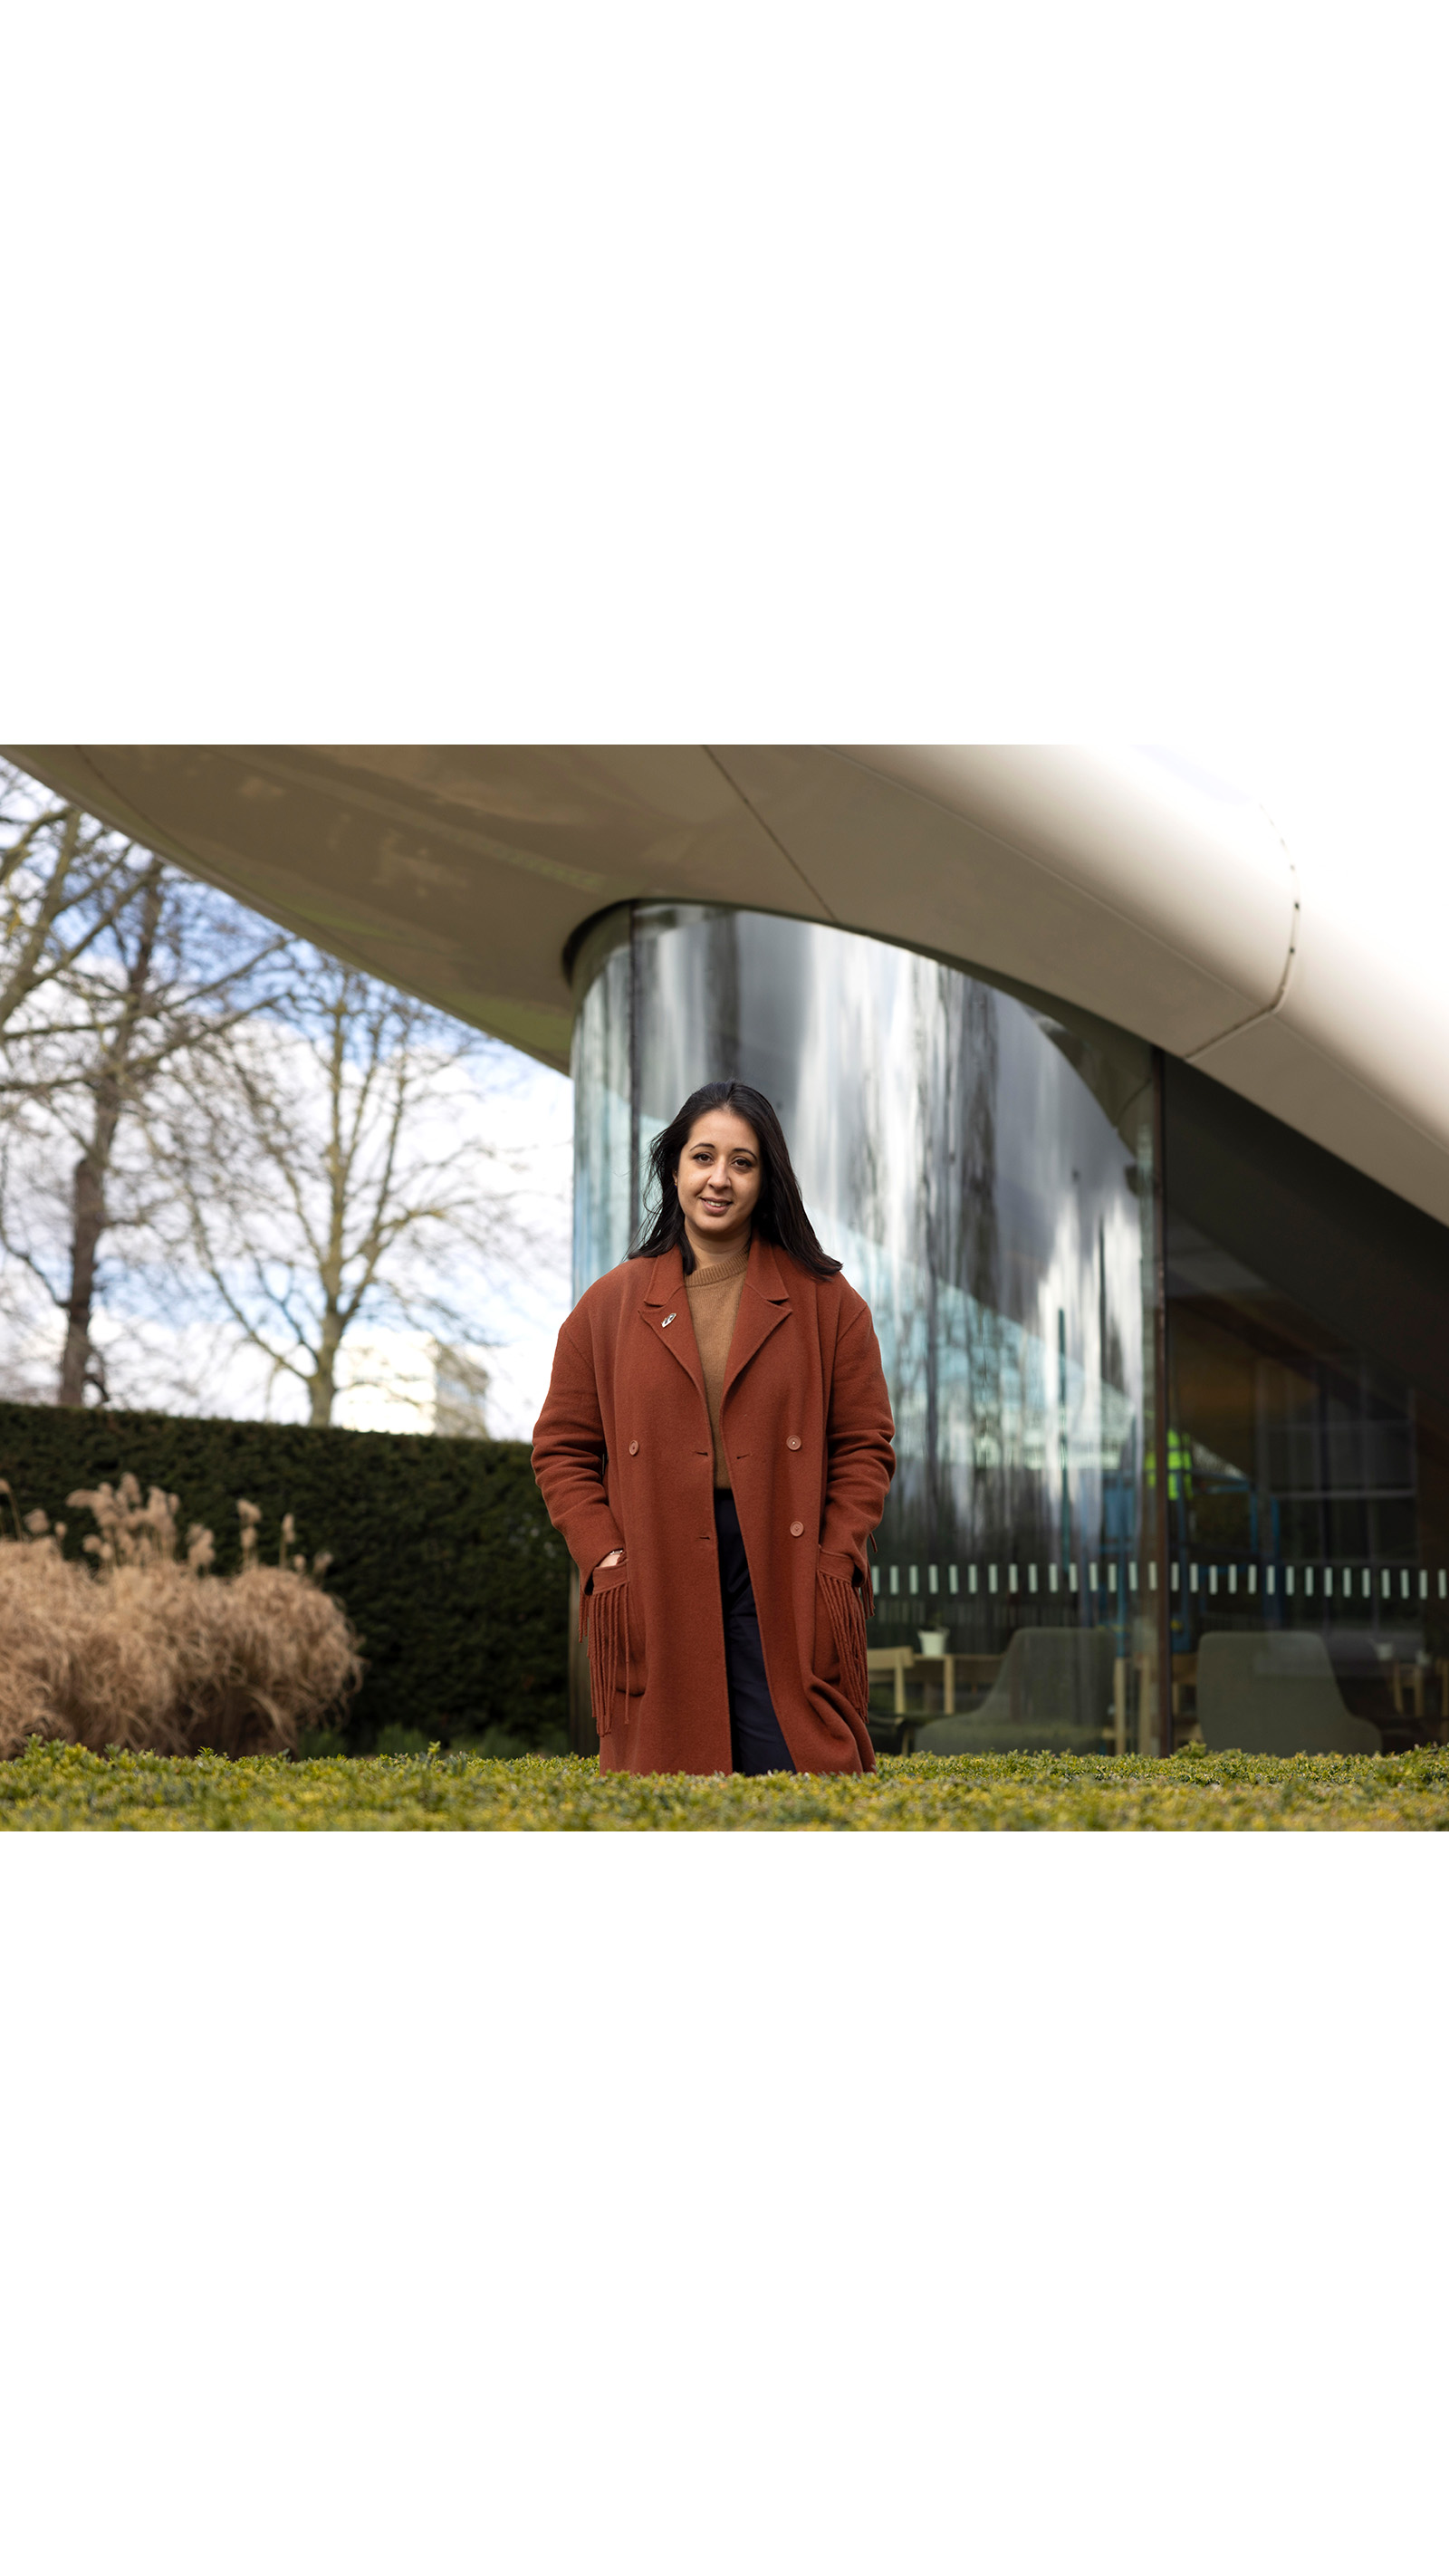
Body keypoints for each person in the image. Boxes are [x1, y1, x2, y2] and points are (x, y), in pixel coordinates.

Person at [532, 1081, 895, 1775]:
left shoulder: (830, 1303)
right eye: (703, 1157)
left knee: (800, 1771)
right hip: (658, 1561)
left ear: (767, 1178)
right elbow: (561, 1449)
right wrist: (606, 1555)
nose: (719, 1180)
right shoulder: (608, 1306)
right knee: (671, 1782)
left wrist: (835, 1556)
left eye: (742, 1162)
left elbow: (865, 1447)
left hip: (783, 1562)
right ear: (675, 1168)